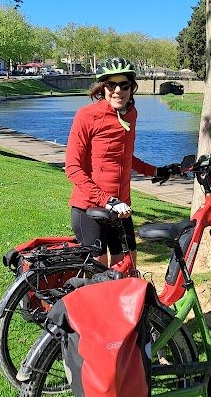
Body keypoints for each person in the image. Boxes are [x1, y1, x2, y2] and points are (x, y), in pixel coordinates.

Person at [65, 58, 175, 266]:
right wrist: (107, 199)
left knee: (127, 264)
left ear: (131, 88)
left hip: (121, 207)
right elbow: (72, 168)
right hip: (90, 208)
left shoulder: (130, 114)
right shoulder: (87, 115)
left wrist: (156, 171)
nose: (117, 91)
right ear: (102, 87)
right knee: (98, 272)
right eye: (111, 85)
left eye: (124, 85)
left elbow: (124, 158)